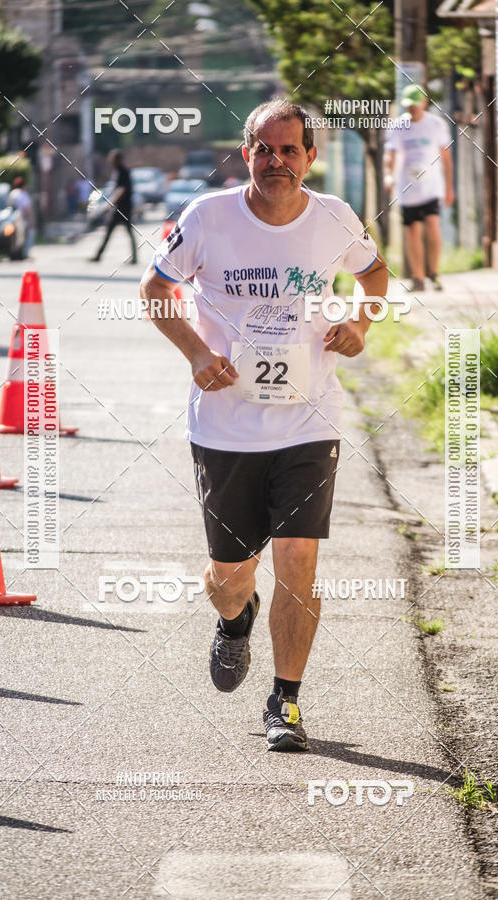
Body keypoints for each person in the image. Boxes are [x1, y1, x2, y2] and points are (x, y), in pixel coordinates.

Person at [140, 99, 388, 752]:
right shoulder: (208, 218)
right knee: (229, 577)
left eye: (289, 149)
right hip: (226, 427)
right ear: (245, 153)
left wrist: (360, 324)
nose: (276, 161)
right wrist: (197, 353)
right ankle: (234, 619)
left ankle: (287, 702)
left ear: (310, 156)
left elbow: (375, 273)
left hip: (310, 421)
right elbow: (155, 291)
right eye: (264, 149)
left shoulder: (334, 217)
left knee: (299, 558)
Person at [384, 84, 455, 291]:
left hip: (432, 186)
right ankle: (418, 277)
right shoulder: (398, 126)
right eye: (408, 105)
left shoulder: (436, 125)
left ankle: (434, 273)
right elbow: (390, 154)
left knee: (433, 225)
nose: (411, 109)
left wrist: (450, 187)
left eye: (415, 104)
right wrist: (388, 175)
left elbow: (447, 158)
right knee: (413, 230)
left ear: (424, 102)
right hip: (408, 188)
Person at [90, 150, 137, 264]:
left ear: (118, 160)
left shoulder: (123, 172)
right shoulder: (117, 171)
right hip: (120, 207)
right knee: (111, 231)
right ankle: (98, 255)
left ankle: (99, 255)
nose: (111, 161)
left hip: (123, 208)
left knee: (124, 232)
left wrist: (109, 204)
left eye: (113, 159)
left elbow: (121, 190)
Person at [9, 176, 34, 257]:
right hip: (22, 217)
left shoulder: (12, 193)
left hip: (12, 218)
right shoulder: (23, 194)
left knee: (14, 237)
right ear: (23, 185)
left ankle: (14, 253)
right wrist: (31, 220)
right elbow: (26, 208)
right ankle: (23, 253)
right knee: (24, 236)